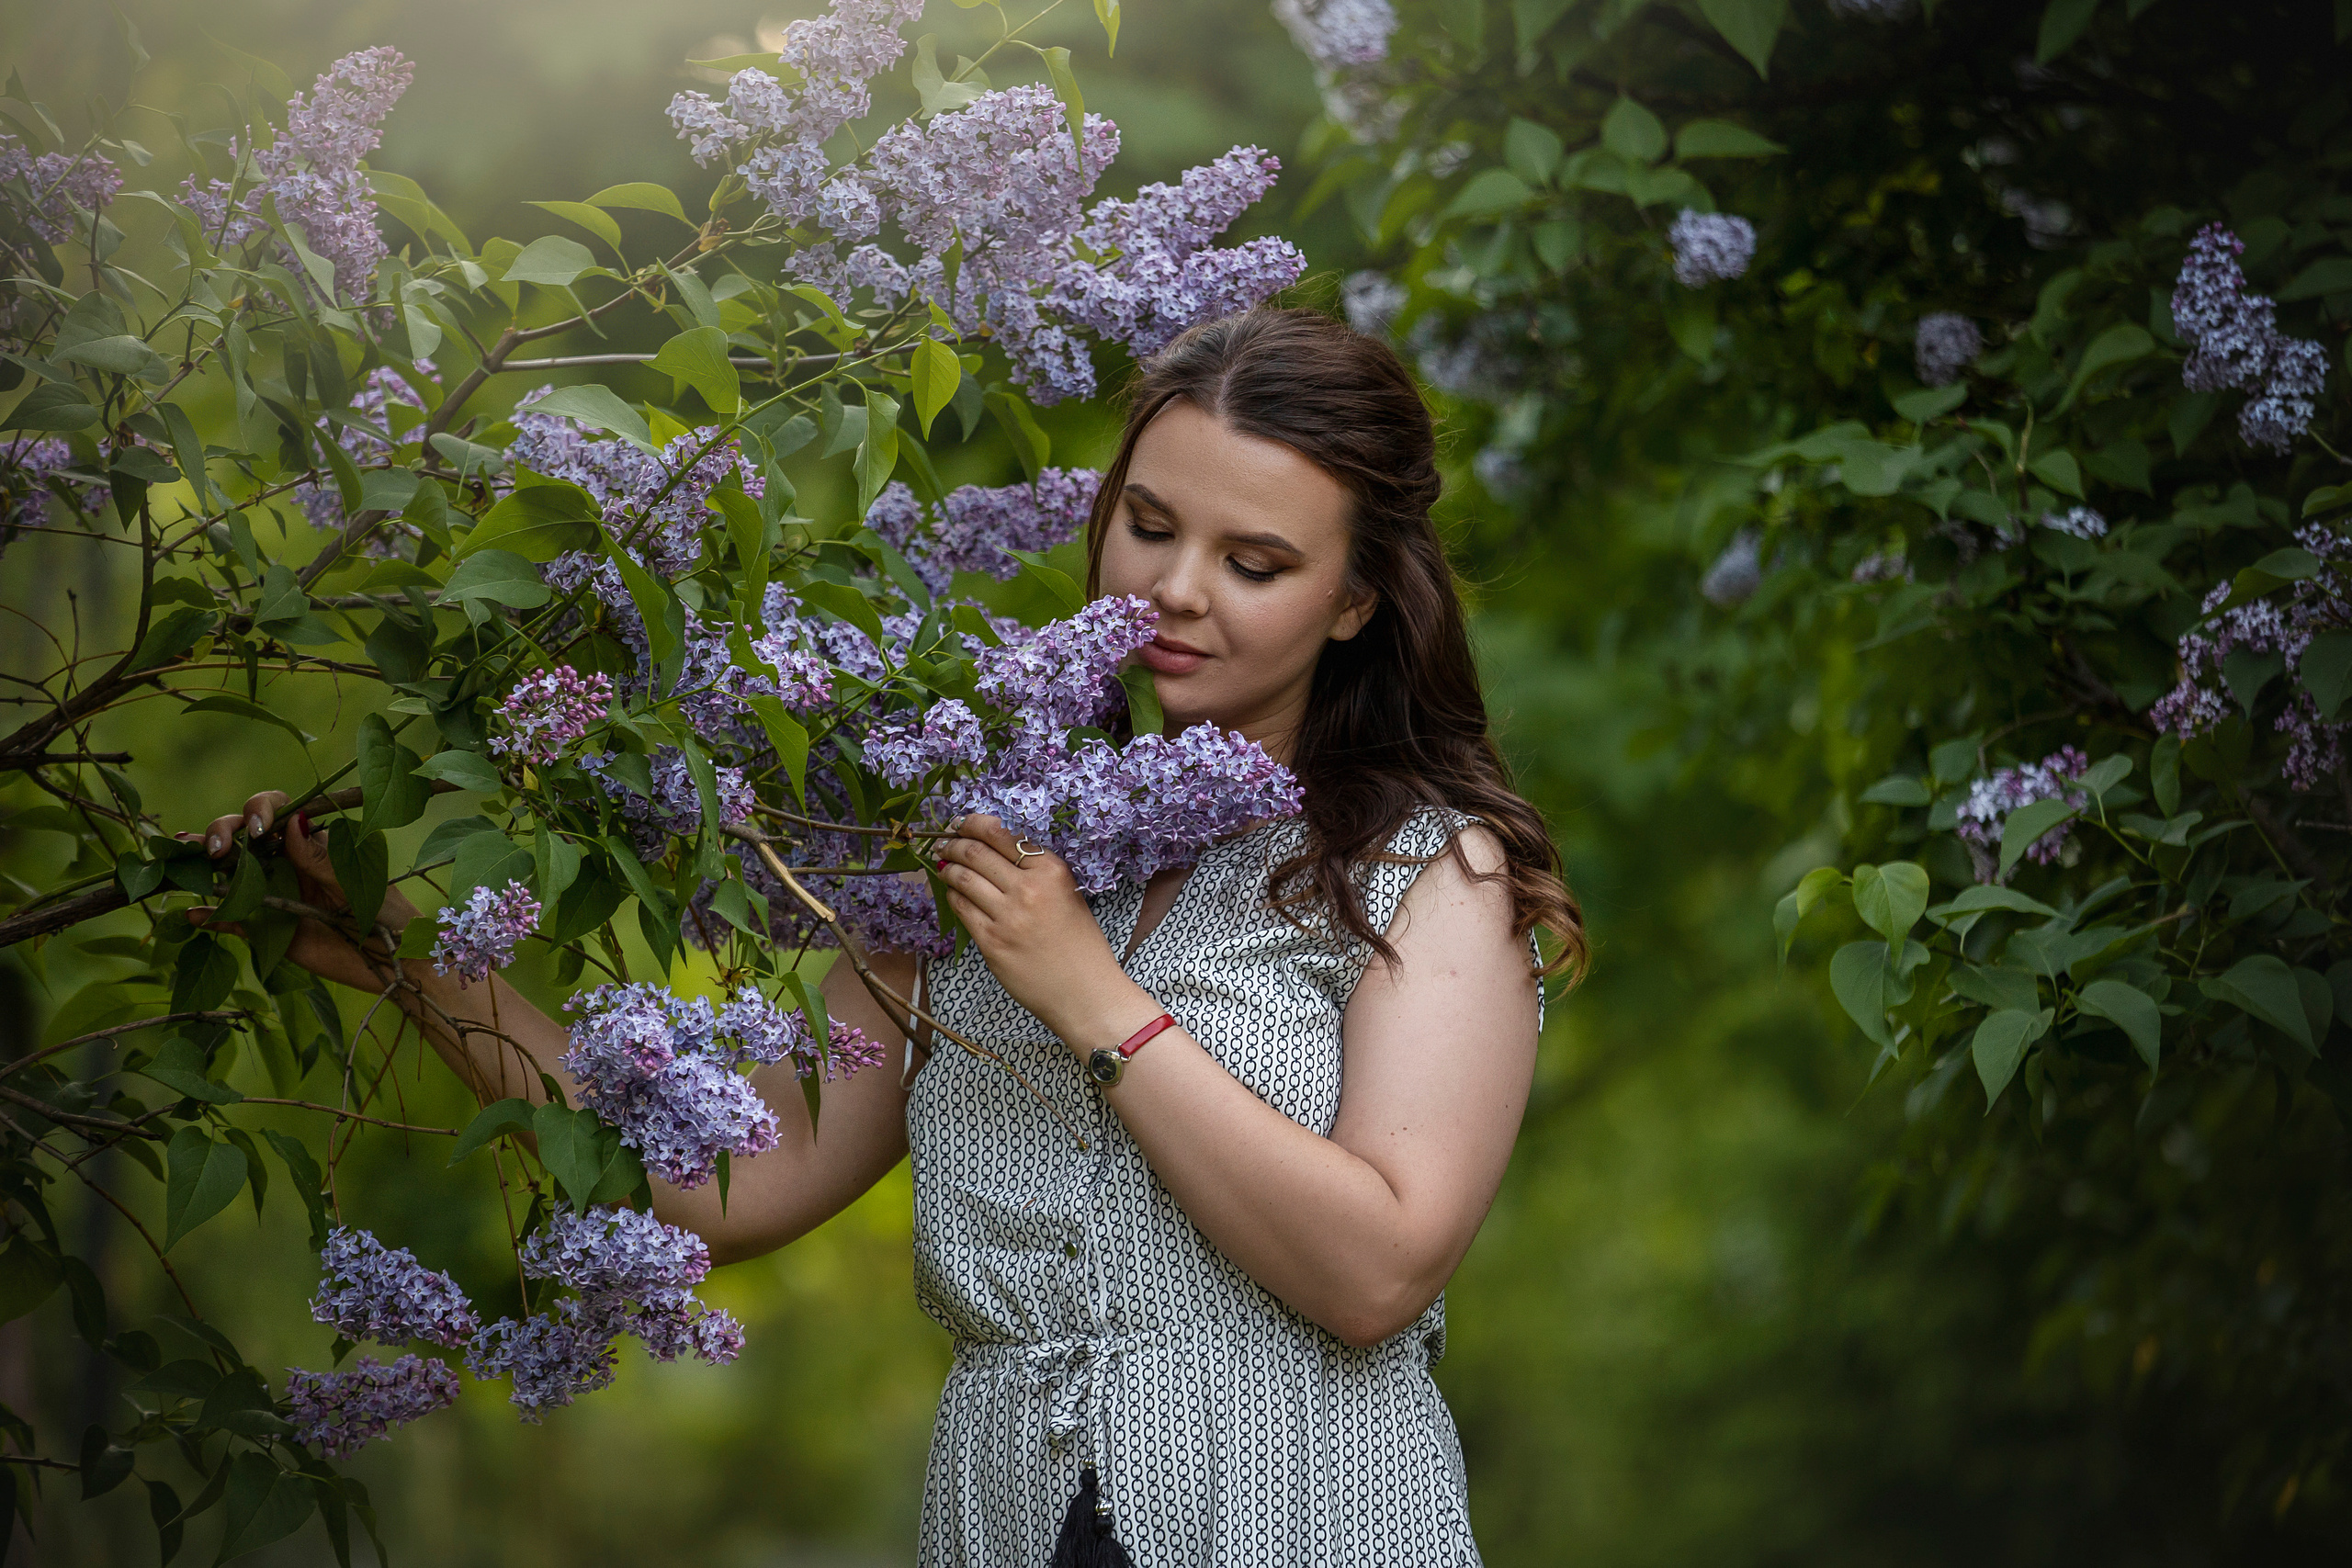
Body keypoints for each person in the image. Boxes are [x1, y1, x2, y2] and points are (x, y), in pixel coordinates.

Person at [198, 307, 1585, 1565]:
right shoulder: (987, 827)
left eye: (1257, 560)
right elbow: (744, 1182)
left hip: (1304, 1511)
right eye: (1150, 525)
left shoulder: (1428, 867)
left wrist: (1092, 998)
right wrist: (416, 958)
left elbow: (1380, 1274)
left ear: (1354, 598)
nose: (1174, 586)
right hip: (1004, 1514)